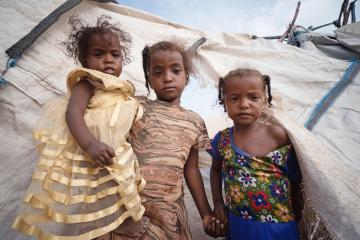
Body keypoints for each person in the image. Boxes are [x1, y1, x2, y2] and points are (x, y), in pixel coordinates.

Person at [12, 15, 146, 240]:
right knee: (93, 195)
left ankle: (124, 221)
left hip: (117, 151)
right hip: (89, 151)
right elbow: (72, 113)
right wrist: (90, 144)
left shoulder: (122, 90)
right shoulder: (88, 82)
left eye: (115, 54)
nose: (108, 60)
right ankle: (102, 227)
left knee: (123, 186)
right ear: (85, 60)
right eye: (98, 54)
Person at [100, 41, 224, 240]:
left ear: (186, 76)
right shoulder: (135, 106)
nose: (168, 78)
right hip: (127, 211)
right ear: (149, 78)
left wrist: (206, 214)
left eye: (176, 71)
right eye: (158, 73)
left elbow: (191, 170)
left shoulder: (194, 121)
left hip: (169, 215)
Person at [208, 68, 302, 239]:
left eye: (253, 97)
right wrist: (218, 203)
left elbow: (296, 178)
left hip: (280, 226)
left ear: (264, 100)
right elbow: (215, 169)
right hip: (237, 224)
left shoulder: (278, 135)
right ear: (224, 102)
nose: (244, 104)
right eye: (234, 98)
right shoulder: (222, 140)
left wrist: (298, 212)